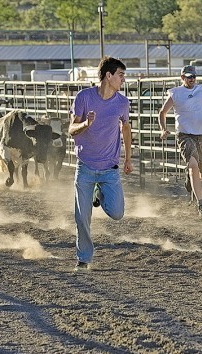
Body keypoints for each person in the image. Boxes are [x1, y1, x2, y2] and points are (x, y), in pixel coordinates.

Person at [69, 56, 132, 272]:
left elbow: (126, 129)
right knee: (81, 216)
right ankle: (84, 258)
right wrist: (86, 123)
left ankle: (100, 195)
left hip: (110, 169)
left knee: (117, 213)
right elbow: (71, 129)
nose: (123, 80)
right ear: (108, 75)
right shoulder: (83, 98)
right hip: (85, 166)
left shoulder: (123, 103)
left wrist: (128, 158)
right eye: (121, 75)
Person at [158, 65, 202, 217]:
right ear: (182, 78)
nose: (192, 79)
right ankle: (201, 204)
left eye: (194, 76)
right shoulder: (176, 93)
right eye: (189, 76)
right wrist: (163, 129)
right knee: (193, 165)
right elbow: (162, 112)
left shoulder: (201, 91)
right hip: (184, 135)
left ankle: (190, 178)